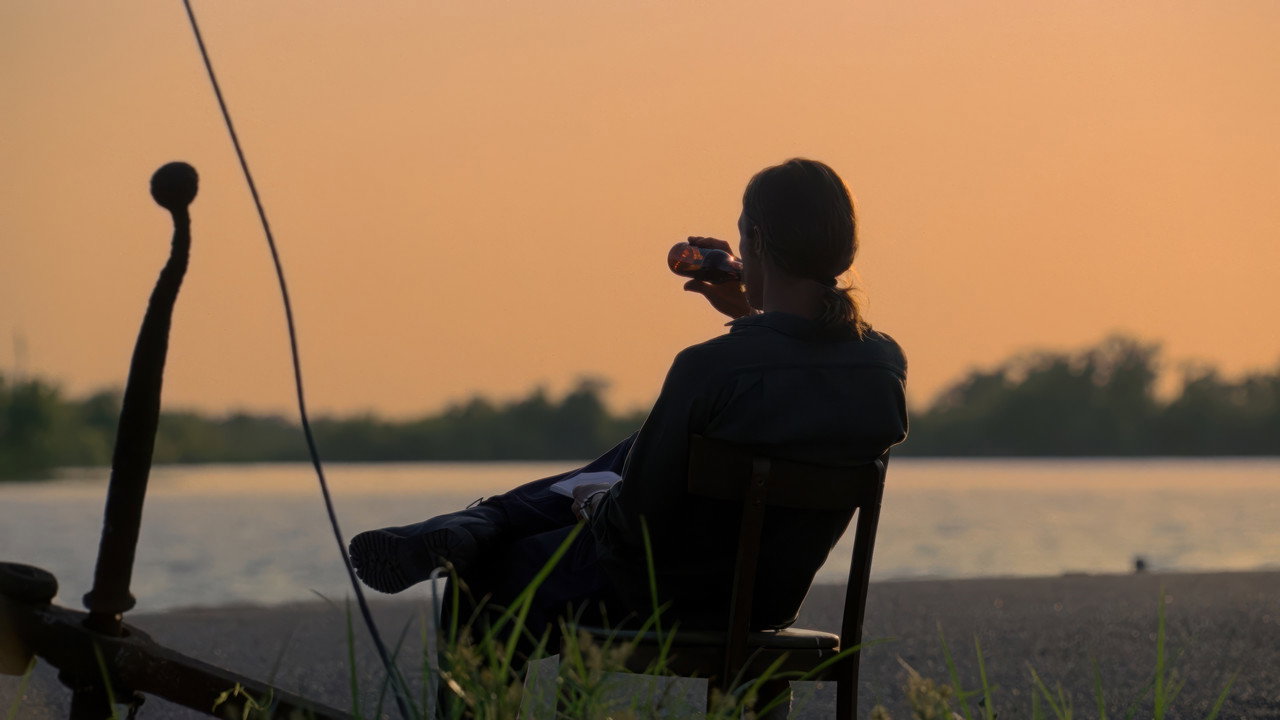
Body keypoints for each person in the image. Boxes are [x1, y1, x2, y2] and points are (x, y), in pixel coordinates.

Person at [348, 158, 907, 642]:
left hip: (656, 595)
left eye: (742, 239)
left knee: (485, 580)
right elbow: (800, 382)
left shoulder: (708, 367)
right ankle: (476, 524)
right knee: (644, 453)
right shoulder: (883, 366)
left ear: (756, 241)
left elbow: (632, 526)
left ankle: (479, 525)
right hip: (768, 602)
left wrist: (594, 502)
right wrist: (755, 314)